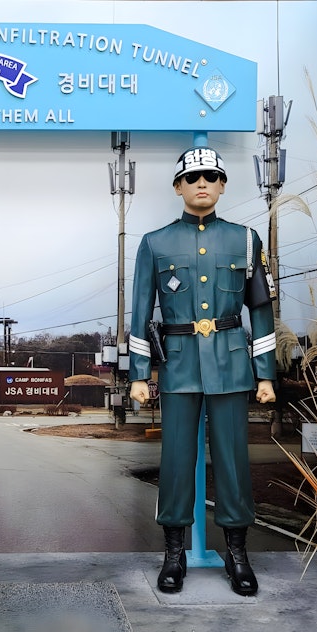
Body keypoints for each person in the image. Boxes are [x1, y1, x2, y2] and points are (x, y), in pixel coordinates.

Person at [128, 146, 277, 597]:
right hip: (178, 366)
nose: (202, 184)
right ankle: (174, 554)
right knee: (175, 461)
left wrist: (266, 374)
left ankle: (236, 553)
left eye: (211, 176)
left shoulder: (246, 239)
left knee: (233, 461)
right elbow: (138, 313)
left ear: (223, 184)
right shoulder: (155, 243)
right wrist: (139, 373)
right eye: (192, 178)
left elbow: (261, 309)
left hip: (231, 363)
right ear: (178, 187)